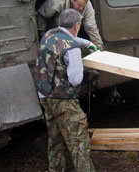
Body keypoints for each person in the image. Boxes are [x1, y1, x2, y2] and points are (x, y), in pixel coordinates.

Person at [34, 9, 96, 172]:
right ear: (77, 25)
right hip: (64, 100)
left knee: (55, 137)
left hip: (45, 95)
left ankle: (56, 169)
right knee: (79, 140)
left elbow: (69, 39)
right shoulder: (72, 49)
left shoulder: (48, 35)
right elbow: (76, 79)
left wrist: (87, 44)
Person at [37, 0, 104, 50]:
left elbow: (91, 27)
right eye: (79, 5)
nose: (81, 8)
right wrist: (42, 35)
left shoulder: (87, 5)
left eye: (83, 6)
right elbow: (41, 15)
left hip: (72, 35)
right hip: (53, 33)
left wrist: (98, 45)